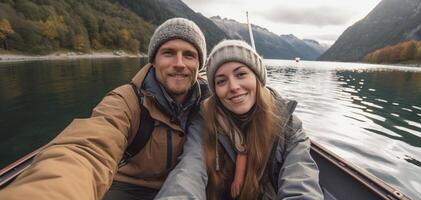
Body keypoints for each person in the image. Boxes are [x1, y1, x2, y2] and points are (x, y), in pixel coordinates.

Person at [0, 18, 208, 200]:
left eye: (189, 55)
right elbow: (87, 149)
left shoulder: (210, 101)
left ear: (199, 65)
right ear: (153, 60)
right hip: (128, 187)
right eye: (169, 53)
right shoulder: (126, 101)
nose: (179, 63)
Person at [155, 40, 323, 199]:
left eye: (241, 74)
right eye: (221, 81)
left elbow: (301, 182)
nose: (234, 87)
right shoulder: (204, 122)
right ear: (216, 91)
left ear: (257, 78)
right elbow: (188, 172)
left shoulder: (287, 125)